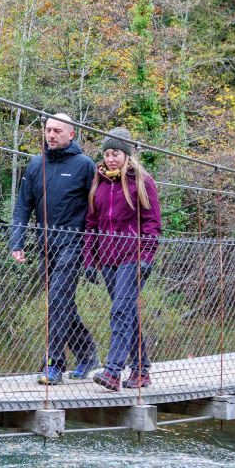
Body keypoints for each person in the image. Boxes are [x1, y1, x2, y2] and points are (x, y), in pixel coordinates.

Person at [10, 113, 99, 385]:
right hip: (45, 244)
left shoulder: (85, 165)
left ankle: (54, 365)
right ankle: (88, 355)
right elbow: (23, 206)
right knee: (61, 302)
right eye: (48, 130)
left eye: (57, 130)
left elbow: (97, 210)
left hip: (74, 242)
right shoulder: (36, 165)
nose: (51, 135)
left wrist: (94, 252)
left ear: (71, 134)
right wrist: (17, 241)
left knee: (57, 301)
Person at [83, 127, 163, 391]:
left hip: (134, 256)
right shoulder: (99, 182)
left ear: (126, 154)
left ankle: (113, 372)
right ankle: (141, 371)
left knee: (120, 311)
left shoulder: (142, 181)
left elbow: (152, 223)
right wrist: (89, 259)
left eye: (116, 153)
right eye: (107, 153)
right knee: (127, 312)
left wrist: (147, 257)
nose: (111, 158)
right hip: (107, 258)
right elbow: (91, 223)